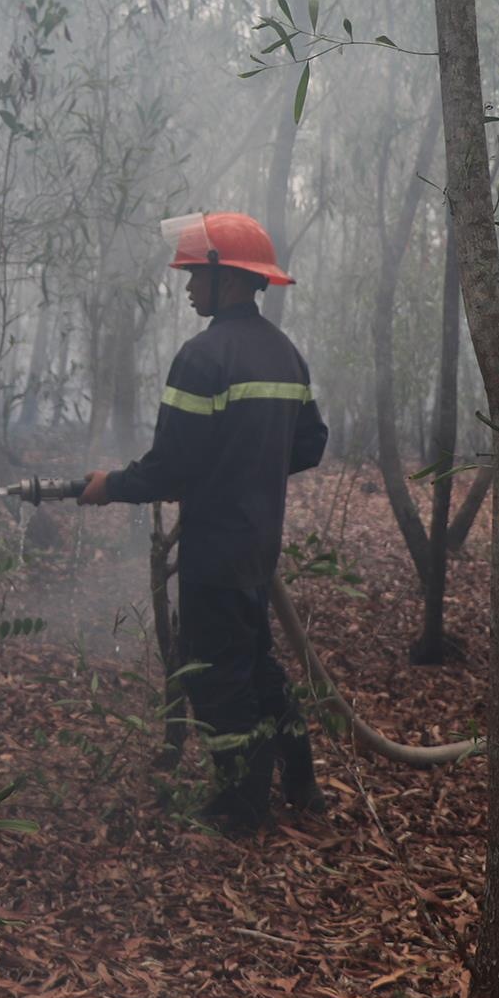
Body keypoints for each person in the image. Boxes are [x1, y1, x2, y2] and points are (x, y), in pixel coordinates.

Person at [78, 212, 329, 831]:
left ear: (232, 281)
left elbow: (171, 466)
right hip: (258, 542)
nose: (187, 286)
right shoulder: (285, 354)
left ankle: (243, 807)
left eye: (195, 275)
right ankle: (301, 779)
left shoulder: (202, 356)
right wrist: (250, 472)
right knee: (258, 663)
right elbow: (310, 444)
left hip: (215, 547)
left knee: (218, 678)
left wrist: (112, 486)